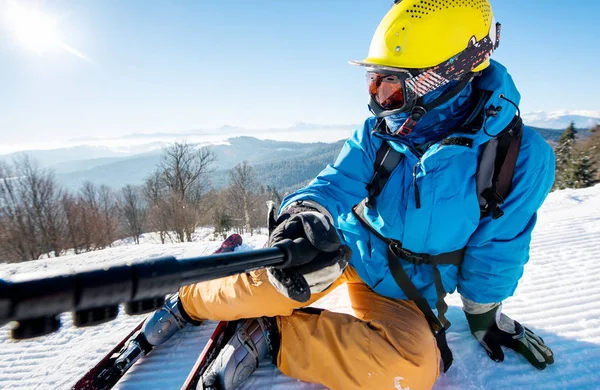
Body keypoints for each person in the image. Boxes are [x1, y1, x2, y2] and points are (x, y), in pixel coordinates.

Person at [127, 1, 555, 389]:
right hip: (344, 248)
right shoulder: (380, 134)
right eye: (374, 85)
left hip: (403, 289)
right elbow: (334, 183)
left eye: (392, 89)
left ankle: (273, 336)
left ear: (446, 78)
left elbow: (499, 246)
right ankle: (189, 301)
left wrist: (483, 316)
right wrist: (305, 216)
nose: (378, 105)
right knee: (278, 280)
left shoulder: (516, 158)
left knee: (411, 370)